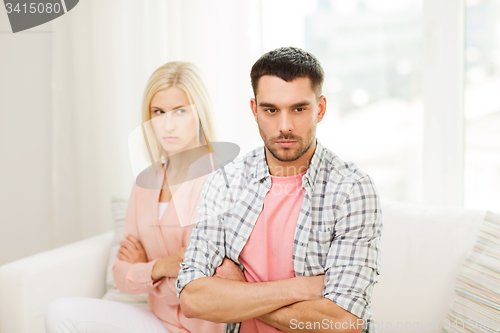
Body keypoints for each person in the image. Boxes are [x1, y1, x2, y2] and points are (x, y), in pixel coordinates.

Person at [176, 47, 382, 333]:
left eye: (299, 109)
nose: (284, 126)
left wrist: (242, 291)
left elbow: (343, 322)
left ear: (320, 109)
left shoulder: (352, 189)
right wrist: (301, 289)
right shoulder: (226, 183)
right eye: (271, 110)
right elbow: (193, 299)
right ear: (254, 110)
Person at [45, 61, 224, 333]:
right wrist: (161, 267)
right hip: (157, 321)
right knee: (60, 313)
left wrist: (143, 269)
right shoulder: (146, 182)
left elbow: (196, 287)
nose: (167, 125)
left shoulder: (219, 180)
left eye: (180, 112)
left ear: (199, 113)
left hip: (201, 328)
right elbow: (120, 273)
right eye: (158, 112)